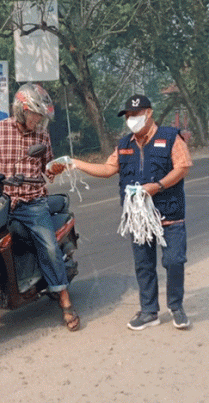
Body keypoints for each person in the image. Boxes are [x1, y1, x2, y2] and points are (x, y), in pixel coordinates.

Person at [0, 83, 80, 331]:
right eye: (36, 114)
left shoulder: (42, 136)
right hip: (4, 201)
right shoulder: (0, 129)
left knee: (49, 246)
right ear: (22, 110)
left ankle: (64, 298)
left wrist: (53, 170)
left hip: (33, 202)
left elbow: (48, 169)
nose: (39, 120)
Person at [67, 94, 192, 331]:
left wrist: (158, 186)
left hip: (169, 212)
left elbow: (183, 166)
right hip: (138, 218)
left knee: (174, 261)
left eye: (135, 115)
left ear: (149, 113)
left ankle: (176, 307)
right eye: (128, 116)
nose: (131, 119)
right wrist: (75, 163)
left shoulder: (169, 138)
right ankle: (149, 311)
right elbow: (107, 168)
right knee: (144, 265)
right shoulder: (124, 144)